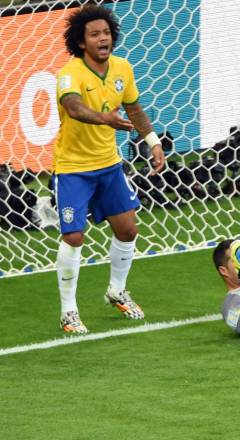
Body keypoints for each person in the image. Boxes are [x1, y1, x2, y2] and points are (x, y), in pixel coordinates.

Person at [53, 5, 165, 334]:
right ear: (82, 42)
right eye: (95, 34)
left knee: (128, 229)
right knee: (73, 236)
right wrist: (106, 119)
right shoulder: (70, 74)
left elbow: (134, 107)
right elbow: (73, 107)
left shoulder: (122, 68)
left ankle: (116, 290)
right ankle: (68, 311)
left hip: (108, 166)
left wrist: (152, 140)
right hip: (73, 168)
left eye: (106, 33)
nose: (103, 38)